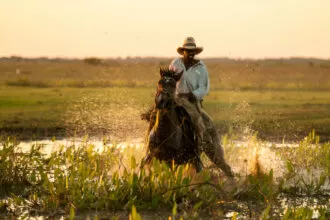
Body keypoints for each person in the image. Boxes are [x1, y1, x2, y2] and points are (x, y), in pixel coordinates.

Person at [143, 37, 234, 178]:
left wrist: (194, 94)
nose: (190, 53)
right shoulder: (175, 63)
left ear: (195, 52)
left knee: (197, 120)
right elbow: (170, 80)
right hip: (174, 98)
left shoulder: (201, 68)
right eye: (188, 51)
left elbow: (204, 87)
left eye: (192, 51)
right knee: (154, 115)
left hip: (191, 100)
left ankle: (196, 148)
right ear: (183, 52)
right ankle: (149, 146)